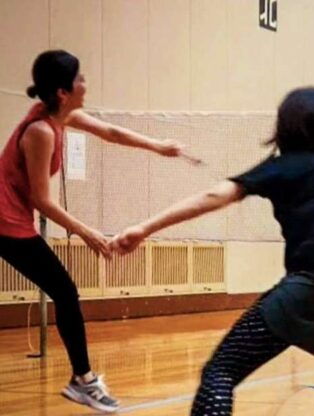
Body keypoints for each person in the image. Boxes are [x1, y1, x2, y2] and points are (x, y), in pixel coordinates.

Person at [111, 87, 314, 416]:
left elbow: (215, 196)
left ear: (285, 126)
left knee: (221, 371)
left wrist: (144, 228)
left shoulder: (286, 164)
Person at [0, 49, 185, 412]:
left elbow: (111, 132)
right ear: (63, 92)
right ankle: (83, 381)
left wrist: (158, 147)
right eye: (79, 78)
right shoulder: (40, 132)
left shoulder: (61, 116)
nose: (86, 83)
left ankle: (82, 379)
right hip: (5, 222)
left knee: (64, 291)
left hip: (10, 218)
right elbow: (42, 200)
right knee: (66, 291)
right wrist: (88, 232)